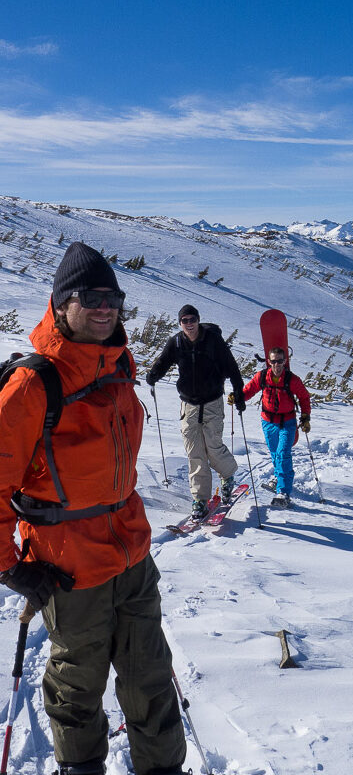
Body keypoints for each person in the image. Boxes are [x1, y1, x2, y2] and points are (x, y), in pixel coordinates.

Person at [0, 243, 190, 775]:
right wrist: (11, 567)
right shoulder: (32, 386)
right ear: (61, 304)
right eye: (90, 296)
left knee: (151, 676)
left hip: (132, 557)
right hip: (69, 568)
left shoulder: (120, 363)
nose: (104, 307)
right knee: (78, 688)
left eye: (113, 297)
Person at [146, 305, 245, 518]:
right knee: (194, 452)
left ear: (198, 320)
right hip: (188, 405)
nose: (189, 324)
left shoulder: (213, 341)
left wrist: (239, 391)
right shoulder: (177, 342)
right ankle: (200, 499)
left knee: (213, 447)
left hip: (212, 403)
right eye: (184, 320)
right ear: (180, 323)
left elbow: (231, 366)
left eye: (192, 319)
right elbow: (163, 362)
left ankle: (227, 475)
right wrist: (153, 375)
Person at [231, 347, 311, 506]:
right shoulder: (262, 377)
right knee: (275, 453)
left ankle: (283, 492)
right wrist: (237, 397)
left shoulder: (292, 379)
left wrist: (305, 417)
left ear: (285, 361)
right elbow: (249, 391)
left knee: (283, 453)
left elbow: (304, 397)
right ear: (268, 361)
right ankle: (279, 477)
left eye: (280, 361)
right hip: (267, 421)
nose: (277, 365)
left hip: (287, 422)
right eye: (273, 361)